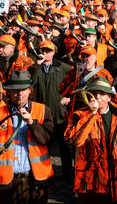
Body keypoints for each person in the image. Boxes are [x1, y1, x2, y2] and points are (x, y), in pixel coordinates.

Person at [64, 77, 117, 204]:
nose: (98, 97)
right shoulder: (79, 115)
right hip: (90, 183)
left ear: (110, 97)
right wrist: (91, 114)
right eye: (95, 93)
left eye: (102, 94)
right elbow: (75, 140)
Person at [0, 70, 54, 204]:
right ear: (8, 92)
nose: (19, 94)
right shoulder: (1, 112)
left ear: (30, 90)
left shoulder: (42, 110)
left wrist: (31, 123)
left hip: (35, 178)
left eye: (23, 89)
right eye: (15, 90)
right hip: (7, 179)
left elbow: (47, 140)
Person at [29, 39, 74, 178]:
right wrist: (37, 66)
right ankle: (43, 174)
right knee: (42, 146)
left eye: (48, 51)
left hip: (60, 114)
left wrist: (70, 97)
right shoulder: (34, 68)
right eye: (43, 51)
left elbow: (76, 82)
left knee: (64, 147)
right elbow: (31, 83)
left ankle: (67, 174)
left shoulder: (64, 67)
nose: (46, 53)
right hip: (42, 114)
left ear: (54, 52)